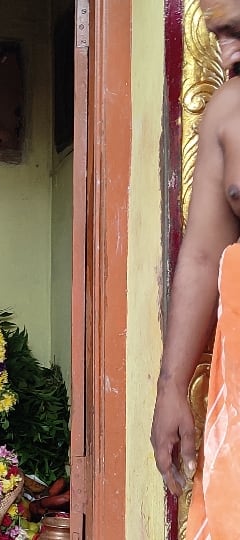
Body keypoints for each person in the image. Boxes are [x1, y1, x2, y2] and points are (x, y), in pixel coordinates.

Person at [151, 0, 240, 536]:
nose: (226, 52)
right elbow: (203, 254)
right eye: (218, 36)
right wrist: (171, 387)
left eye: (237, 33)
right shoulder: (228, 110)